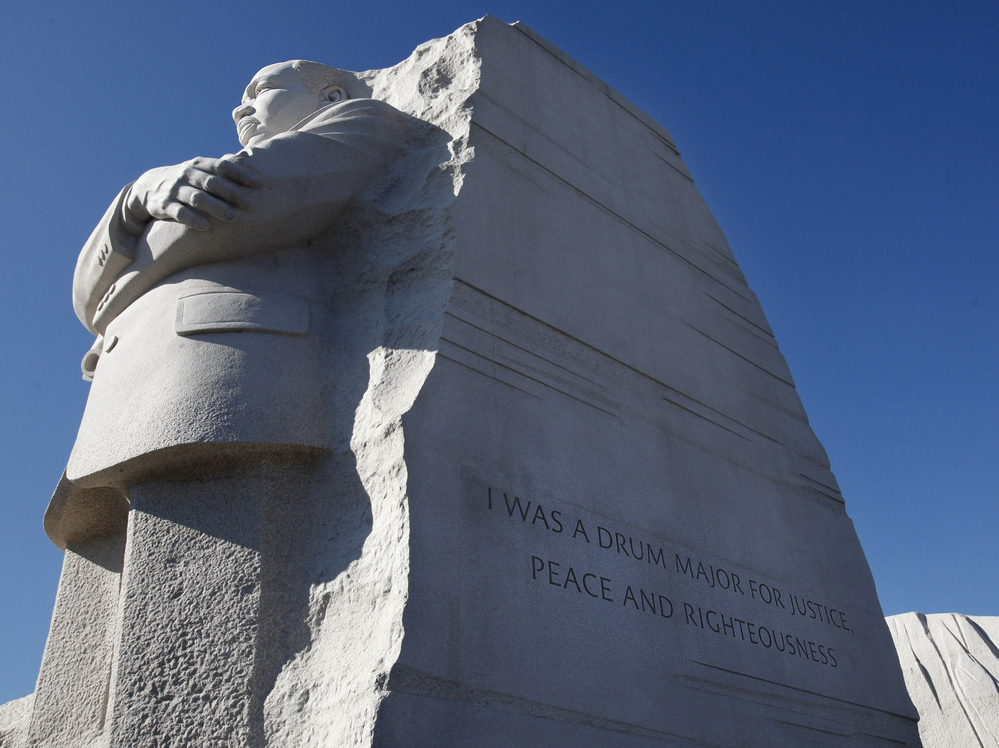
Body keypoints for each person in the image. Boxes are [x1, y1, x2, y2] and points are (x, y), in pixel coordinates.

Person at [45, 60, 417, 546]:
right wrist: (139, 194)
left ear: (330, 97)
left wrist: (114, 294)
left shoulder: (364, 119)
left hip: (221, 379)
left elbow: (236, 210)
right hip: (126, 395)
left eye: (261, 89)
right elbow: (83, 296)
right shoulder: (173, 183)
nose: (241, 109)